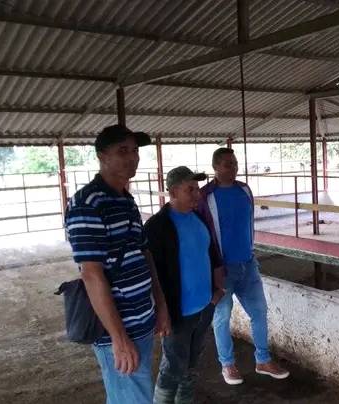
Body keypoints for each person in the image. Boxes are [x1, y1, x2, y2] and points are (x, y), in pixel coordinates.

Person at [64, 124, 170, 404]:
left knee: (132, 395)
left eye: (135, 151)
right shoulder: (87, 204)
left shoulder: (126, 200)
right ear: (102, 156)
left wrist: (159, 304)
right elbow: (92, 275)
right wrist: (119, 338)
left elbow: (144, 254)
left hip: (142, 319)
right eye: (123, 151)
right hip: (120, 328)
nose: (132, 157)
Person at [201, 147, 289, 385]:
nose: (234, 168)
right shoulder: (206, 196)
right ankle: (227, 365)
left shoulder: (244, 190)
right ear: (215, 167)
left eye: (235, 163)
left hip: (248, 264)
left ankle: (263, 360)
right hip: (222, 269)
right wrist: (212, 269)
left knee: (259, 311)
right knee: (222, 316)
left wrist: (250, 253)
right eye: (228, 164)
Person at [145, 166, 226, 404]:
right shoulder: (157, 226)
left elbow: (212, 254)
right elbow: (152, 273)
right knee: (173, 366)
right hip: (178, 312)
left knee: (192, 364)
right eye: (190, 189)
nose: (197, 194)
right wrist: (161, 311)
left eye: (197, 189)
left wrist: (218, 290)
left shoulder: (198, 218)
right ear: (173, 192)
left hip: (205, 306)